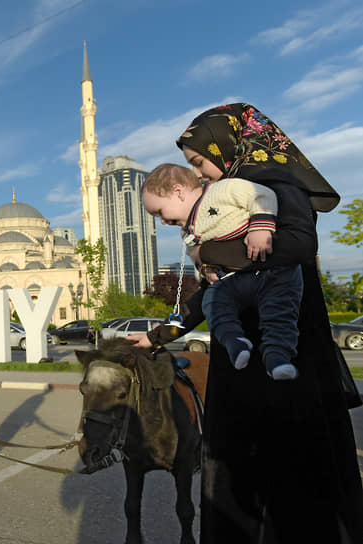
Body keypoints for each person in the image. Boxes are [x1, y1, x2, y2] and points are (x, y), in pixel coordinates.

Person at [129, 103, 363, 543]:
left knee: (293, 480)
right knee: (237, 480)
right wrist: (161, 335)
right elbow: (212, 295)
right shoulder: (221, 214)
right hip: (241, 369)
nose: (202, 175)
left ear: (228, 143)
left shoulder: (272, 187)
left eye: (200, 162)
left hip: (284, 363)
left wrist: (210, 253)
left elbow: (295, 245)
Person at [141, 163, 300, 380]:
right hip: (231, 283)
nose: (162, 221)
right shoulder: (188, 232)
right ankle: (234, 340)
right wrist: (205, 267)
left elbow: (262, 196)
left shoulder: (222, 190)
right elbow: (202, 272)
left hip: (271, 276)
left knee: (279, 312)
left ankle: (277, 356)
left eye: (159, 211)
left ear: (178, 192)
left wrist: (261, 226)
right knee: (212, 302)